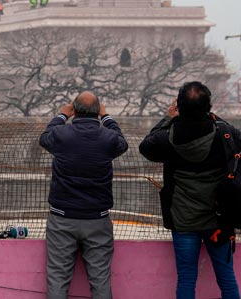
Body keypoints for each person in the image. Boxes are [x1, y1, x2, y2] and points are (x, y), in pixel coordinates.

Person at [139, 82, 240, 299]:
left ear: (180, 106)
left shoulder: (167, 137)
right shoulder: (223, 133)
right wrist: (210, 116)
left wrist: (168, 118)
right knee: (226, 277)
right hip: (218, 220)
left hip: (183, 220)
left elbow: (146, 147)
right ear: (208, 106)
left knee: (186, 277)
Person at [39, 92, 128, 299]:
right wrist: (106, 117)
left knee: (58, 279)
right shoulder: (108, 138)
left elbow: (45, 138)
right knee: (100, 280)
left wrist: (61, 114)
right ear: (98, 111)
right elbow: (121, 142)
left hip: (62, 217)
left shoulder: (62, 135)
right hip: (97, 219)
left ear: (74, 111)